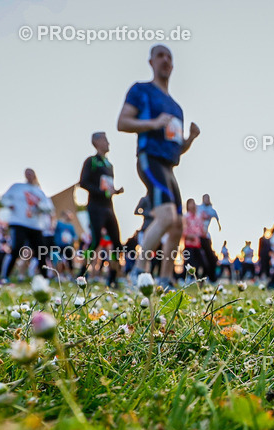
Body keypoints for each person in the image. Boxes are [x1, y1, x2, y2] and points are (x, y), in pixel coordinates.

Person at [118, 44, 200, 291]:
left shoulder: (177, 108)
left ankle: (165, 279)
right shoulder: (141, 90)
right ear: (151, 61)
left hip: (169, 166)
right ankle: (137, 274)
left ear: (173, 65)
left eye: (169, 57)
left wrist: (190, 139)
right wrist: (153, 122)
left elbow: (176, 148)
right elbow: (122, 122)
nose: (165, 60)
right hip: (149, 159)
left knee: (177, 224)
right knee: (165, 217)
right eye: (160, 55)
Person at [79, 131, 124, 283]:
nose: (108, 143)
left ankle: (113, 276)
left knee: (117, 243)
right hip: (95, 206)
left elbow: (108, 186)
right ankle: (82, 272)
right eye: (105, 140)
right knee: (96, 240)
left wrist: (115, 191)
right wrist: (101, 192)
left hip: (109, 207)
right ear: (97, 142)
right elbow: (83, 182)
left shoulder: (109, 165)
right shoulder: (91, 161)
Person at [0, 168, 54, 280]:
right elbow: (4, 198)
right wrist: (9, 204)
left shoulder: (39, 192)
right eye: (27, 173)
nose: (29, 175)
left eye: (31, 173)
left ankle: (44, 278)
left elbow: (50, 208)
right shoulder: (17, 187)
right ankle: (5, 276)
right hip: (19, 222)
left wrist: (40, 207)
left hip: (35, 225)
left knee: (41, 251)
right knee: (16, 249)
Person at [181, 198, 207, 281]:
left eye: (194, 203)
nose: (193, 205)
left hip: (197, 244)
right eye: (191, 203)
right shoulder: (185, 217)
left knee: (201, 262)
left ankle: (199, 278)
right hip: (189, 244)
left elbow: (202, 231)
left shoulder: (198, 217)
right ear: (187, 206)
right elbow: (183, 230)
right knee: (189, 262)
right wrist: (188, 236)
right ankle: (186, 279)